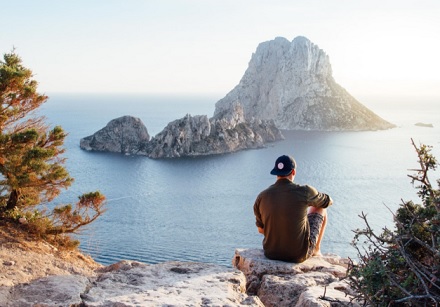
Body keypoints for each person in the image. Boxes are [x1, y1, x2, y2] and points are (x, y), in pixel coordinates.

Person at [253, 155, 333, 263]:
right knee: (320, 208)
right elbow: (327, 202)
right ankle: (316, 250)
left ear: (276, 173)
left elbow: (261, 230)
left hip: (271, 253)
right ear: (293, 172)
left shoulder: (261, 197)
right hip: (298, 255)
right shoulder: (305, 191)